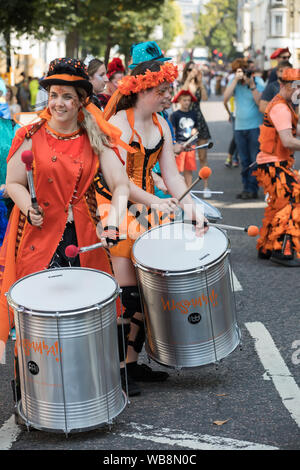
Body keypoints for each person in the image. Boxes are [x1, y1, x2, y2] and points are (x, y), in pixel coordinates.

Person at [0, 58, 131, 388]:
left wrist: (115, 216)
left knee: (84, 308)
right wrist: (27, 204)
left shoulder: (95, 137)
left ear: (81, 101)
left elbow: (120, 185)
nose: (58, 102)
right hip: (37, 233)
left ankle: (86, 384)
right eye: (54, 94)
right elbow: (13, 181)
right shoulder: (29, 135)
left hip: (81, 233)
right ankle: (33, 387)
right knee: (37, 311)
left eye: (68, 96)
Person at [100, 59, 208, 395]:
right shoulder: (118, 123)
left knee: (151, 290)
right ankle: (118, 370)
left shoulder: (162, 125)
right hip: (115, 210)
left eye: (168, 90)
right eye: (162, 91)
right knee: (129, 295)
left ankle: (132, 363)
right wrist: (155, 202)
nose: (168, 97)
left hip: (147, 206)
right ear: (142, 91)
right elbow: (119, 183)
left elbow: (173, 175)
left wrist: (193, 208)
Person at [254, 68, 300, 267]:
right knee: (292, 199)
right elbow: (288, 141)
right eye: (296, 87)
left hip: (274, 163)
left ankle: (266, 247)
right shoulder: (281, 108)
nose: (299, 90)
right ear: (283, 85)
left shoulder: (286, 105)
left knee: (278, 204)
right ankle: (284, 250)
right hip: (273, 165)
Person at [224, 58, 265, 199]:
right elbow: (225, 97)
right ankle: (246, 187)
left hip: (255, 127)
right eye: (238, 71)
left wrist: (252, 85)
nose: (241, 74)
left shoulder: (258, 81)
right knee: (244, 159)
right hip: (240, 127)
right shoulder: (234, 82)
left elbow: (261, 103)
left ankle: (253, 189)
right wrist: (235, 80)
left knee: (254, 159)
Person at [181, 61, 212, 198]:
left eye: (194, 70)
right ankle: (188, 189)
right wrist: (188, 79)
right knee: (188, 157)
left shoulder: (199, 84)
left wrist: (200, 82)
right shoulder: (185, 83)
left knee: (202, 156)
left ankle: (206, 187)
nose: (192, 72)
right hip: (186, 121)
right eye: (189, 70)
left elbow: (205, 98)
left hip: (199, 121)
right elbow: (181, 94)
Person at [170, 89, 198, 187]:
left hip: (190, 145)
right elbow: (172, 130)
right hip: (180, 144)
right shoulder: (175, 115)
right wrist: (173, 144)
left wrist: (194, 130)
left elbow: (195, 127)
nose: (187, 102)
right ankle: (177, 190)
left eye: (188, 100)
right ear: (179, 101)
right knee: (177, 169)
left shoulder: (193, 113)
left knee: (188, 169)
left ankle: (188, 190)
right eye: (184, 100)